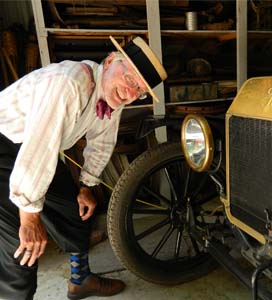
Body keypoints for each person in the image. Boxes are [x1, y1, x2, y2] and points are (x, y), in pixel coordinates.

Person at [0, 36, 167, 300]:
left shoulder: (110, 93)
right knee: (21, 247)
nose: (132, 92)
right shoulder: (69, 83)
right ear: (111, 60)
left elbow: (102, 141)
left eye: (141, 90)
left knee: (75, 210)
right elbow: (39, 147)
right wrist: (30, 217)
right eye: (131, 79)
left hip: (32, 148)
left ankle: (81, 280)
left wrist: (87, 185)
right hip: (4, 146)